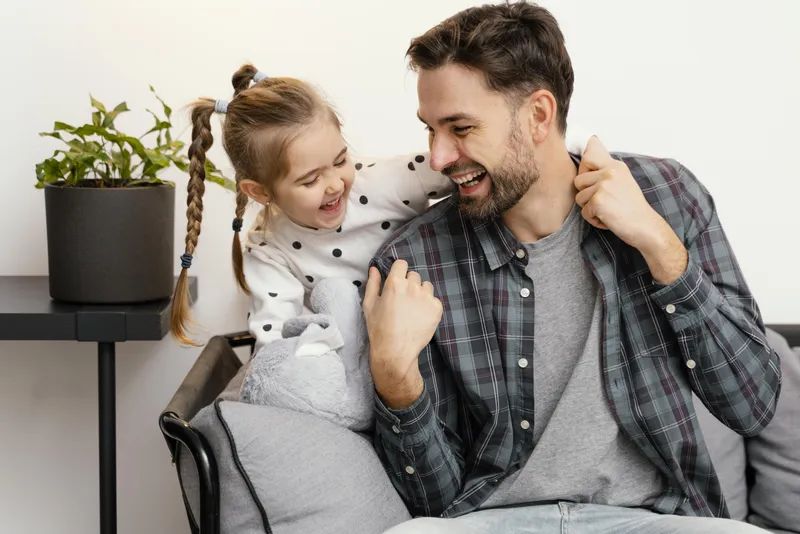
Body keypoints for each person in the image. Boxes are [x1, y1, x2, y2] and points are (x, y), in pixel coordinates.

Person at [361, 2, 782, 533]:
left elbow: (754, 405)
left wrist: (659, 247)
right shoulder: (413, 261)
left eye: (461, 128)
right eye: (430, 130)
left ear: (539, 114)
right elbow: (434, 501)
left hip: (651, 519)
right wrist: (395, 379)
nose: (440, 157)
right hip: (495, 522)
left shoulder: (667, 197)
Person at [168, 63, 594, 431]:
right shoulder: (268, 251)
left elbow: (475, 167)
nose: (335, 183)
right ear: (259, 192)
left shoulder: (382, 182)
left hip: (431, 339)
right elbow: (275, 344)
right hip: (355, 364)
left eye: (339, 160)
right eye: (310, 179)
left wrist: (579, 158)